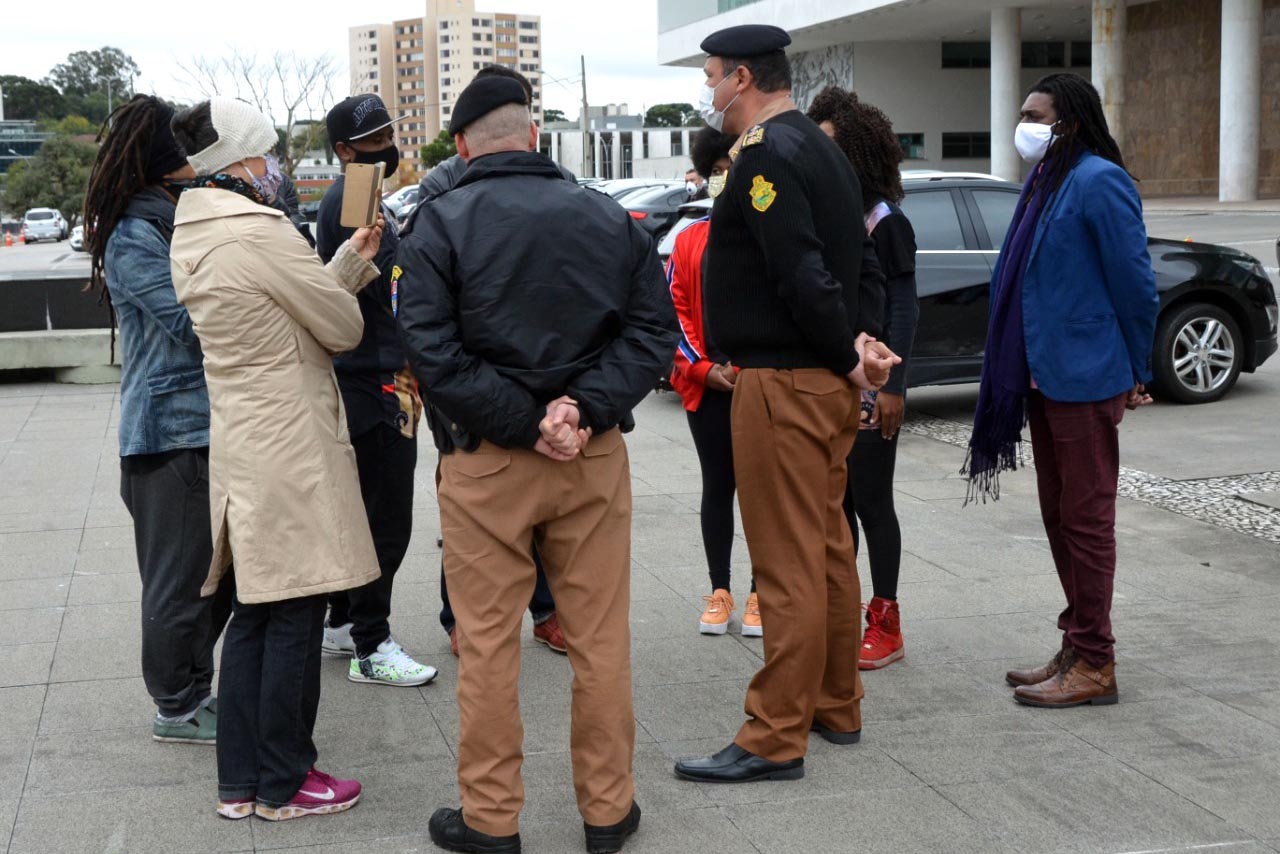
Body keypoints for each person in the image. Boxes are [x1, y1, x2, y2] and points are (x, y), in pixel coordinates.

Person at [395, 76, 677, 854]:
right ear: (532, 137)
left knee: (487, 644)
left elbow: (431, 351)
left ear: (461, 146)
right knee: (601, 638)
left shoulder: (438, 223)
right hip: (589, 455)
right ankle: (608, 811)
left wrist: (526, 421)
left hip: (487, 460)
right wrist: (577, 412)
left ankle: (491, 819)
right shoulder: (607, 216)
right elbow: (653, 333)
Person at [673, 24, 898, 786]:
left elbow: (801, 270)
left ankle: (774, 735)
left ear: (741, 78)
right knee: (830, 549)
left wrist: (844, 353)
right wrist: (857, 349)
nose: (709, 91)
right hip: (822, 384)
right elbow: (859, 259)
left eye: (711, 77)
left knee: (786, 561)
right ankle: (837, 702)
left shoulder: (766, 154)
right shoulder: (822, 147)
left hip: (784, 384)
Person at [169, 97, 385, 821]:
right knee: (297, 605)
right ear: (240, 162)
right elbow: (339, 324)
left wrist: (336, 267)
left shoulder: (194, 228)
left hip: (243, 436)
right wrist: (350, 271)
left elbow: (282, 309)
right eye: (267, 156)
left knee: (259, 612)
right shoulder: (260, 231)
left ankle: (243, 782)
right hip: (291, 438)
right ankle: (288, 779)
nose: (275, 171)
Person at [964, 73, 1159, 708]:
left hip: (1086, 371)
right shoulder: (1047, 181)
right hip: (1044, 374)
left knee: (1087, 520)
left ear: (1068, 120)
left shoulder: (1099, 179)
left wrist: (1137, 368)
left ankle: (1096, 663)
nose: (1023, 124)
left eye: (1034, 114)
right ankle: (1078, 642)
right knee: (1059, 517)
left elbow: (1133, 281)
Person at [84, 94, 233, 746]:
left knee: (221, 578)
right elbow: (189, 320)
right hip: (168, 438)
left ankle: (195, 688)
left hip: (214, 427)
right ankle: (177, 704)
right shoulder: (135, 235)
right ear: (165, 160)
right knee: (178, 586)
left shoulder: (180, 217)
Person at [414, 64, 569, 659]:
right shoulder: (440, 188)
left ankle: (547, 609)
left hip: (545, 371)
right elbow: (424, 306)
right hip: (468, 386)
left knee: (548, 507)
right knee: (466, 514)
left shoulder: (559, 180)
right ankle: (461, 616)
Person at [314, 93, 437, 687]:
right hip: (374, 377)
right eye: (373, 140)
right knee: (384, 521)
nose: (388, 146)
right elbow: (362, 284)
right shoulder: (353, 195)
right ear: (343, 151)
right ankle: (371, 642)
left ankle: (344, 623)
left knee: (371, 510)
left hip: (379, 373)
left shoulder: (363, 194)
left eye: (390, 132)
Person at [808, 86, 919, 670]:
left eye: (831, 147)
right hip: (836, 385)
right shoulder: (835, 213)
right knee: (840, 506)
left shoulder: (884, 219)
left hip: (875, 385)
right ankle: (846, 613)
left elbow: (906, 307)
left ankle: (887, 619)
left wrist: (892, 388)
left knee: (873, 503)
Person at [667, 125, 760, 637]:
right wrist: (704, 368)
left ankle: (760, 592)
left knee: (760, 492)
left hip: (758, 384)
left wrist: (745, 370)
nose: (725, 179)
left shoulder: (764, 234)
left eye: (733, 170)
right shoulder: (689, 239)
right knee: (717, 486)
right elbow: (674, 310)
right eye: (718, 171)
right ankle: (720, 589)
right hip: (707, 386)